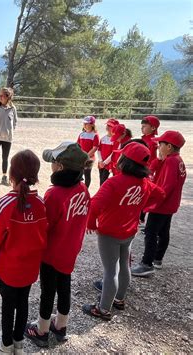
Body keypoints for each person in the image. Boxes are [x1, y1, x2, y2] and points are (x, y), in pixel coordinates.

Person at [82, 143, 165, 320]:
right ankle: (119, 299)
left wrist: (91, 224)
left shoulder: (114, 182)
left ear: (124, 161)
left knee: (111, 270)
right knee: (124, 266)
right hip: (129, 231)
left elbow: (94, 205)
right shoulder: (145, 183)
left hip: (109, 232)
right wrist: (142, 208)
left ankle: (103, 309)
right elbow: (160, 195)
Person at [25, 142, 91, 347]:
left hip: (52, 252)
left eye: (53, 161)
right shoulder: (83, 189)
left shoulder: (54, 194)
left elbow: (46, 225)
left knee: (47, 291)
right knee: (64, 286)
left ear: (60, 167)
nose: (51, 164)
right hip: (71, 249)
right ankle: (61, 325)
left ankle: (42, 329)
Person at [0, 150, 47, 354]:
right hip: (30, 267)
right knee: (23, 302)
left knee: (8, 305)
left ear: (11, 173)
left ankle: (5, 345)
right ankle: (18, 343)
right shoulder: (41, 203)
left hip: (10, 266)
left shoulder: (5, 202)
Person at [131, 131, 186, 276]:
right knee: (163, 231)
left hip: (161, 205)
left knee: (150, 232)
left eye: (160, 144)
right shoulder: (177, 160)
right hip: (170, 204)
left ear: (168, 146)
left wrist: (152, 201)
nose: (158, 146)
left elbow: (165, 186)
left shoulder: (171, 161)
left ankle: (146, 263)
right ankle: (158, 258)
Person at [76, 116, 99, 188]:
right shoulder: (81, 134)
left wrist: (86, 156)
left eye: (87, 124)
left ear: (92, 124)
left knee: (87, 175)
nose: (85, 125)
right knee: (78, 173)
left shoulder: (95, 135)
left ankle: (86, 190)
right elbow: (78, 145)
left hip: (89, 158)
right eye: (84, 124)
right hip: (81, 157)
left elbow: (95, 148)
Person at [97, 118, 119, 185]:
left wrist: (105, 163)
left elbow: (113, 153)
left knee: (104, 179)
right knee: (101, 179)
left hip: (109, 163)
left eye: (111, 126)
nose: (108, 127)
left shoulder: (116, 140)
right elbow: (99, 150)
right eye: (108, 126)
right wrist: (100, 161)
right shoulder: (103, 138)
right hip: (101, 162)